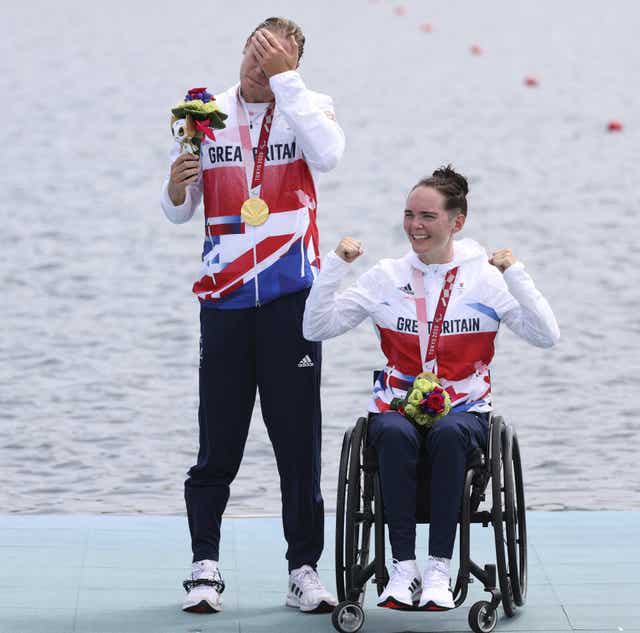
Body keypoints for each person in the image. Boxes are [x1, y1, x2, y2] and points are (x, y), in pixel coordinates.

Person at [303, 166, 559, 611]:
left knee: (447, 434)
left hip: (463, 408)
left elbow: (546, 335)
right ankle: (403, 569)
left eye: (427, 217)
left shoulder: (485, 279)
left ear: (456, 222)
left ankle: (439, 567)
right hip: (397, 405)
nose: (415, 227)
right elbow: (316, 326)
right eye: (408, 215)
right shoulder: (385, 276)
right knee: (397, 434)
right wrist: (334, 267)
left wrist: (516, 273)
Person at [160, 17, 345, 615]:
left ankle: (303, 570)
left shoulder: (310, 107)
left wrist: (289, 81)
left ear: (291, 64)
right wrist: (174, 184)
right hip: (225, 301)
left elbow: (331, 156)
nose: (255, 65)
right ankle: (204, 566)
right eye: (251, 52)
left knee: (297, 443)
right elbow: (178, 213)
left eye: (271, 57)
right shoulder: (203, 113)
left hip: (294, 303)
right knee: (220, 441)